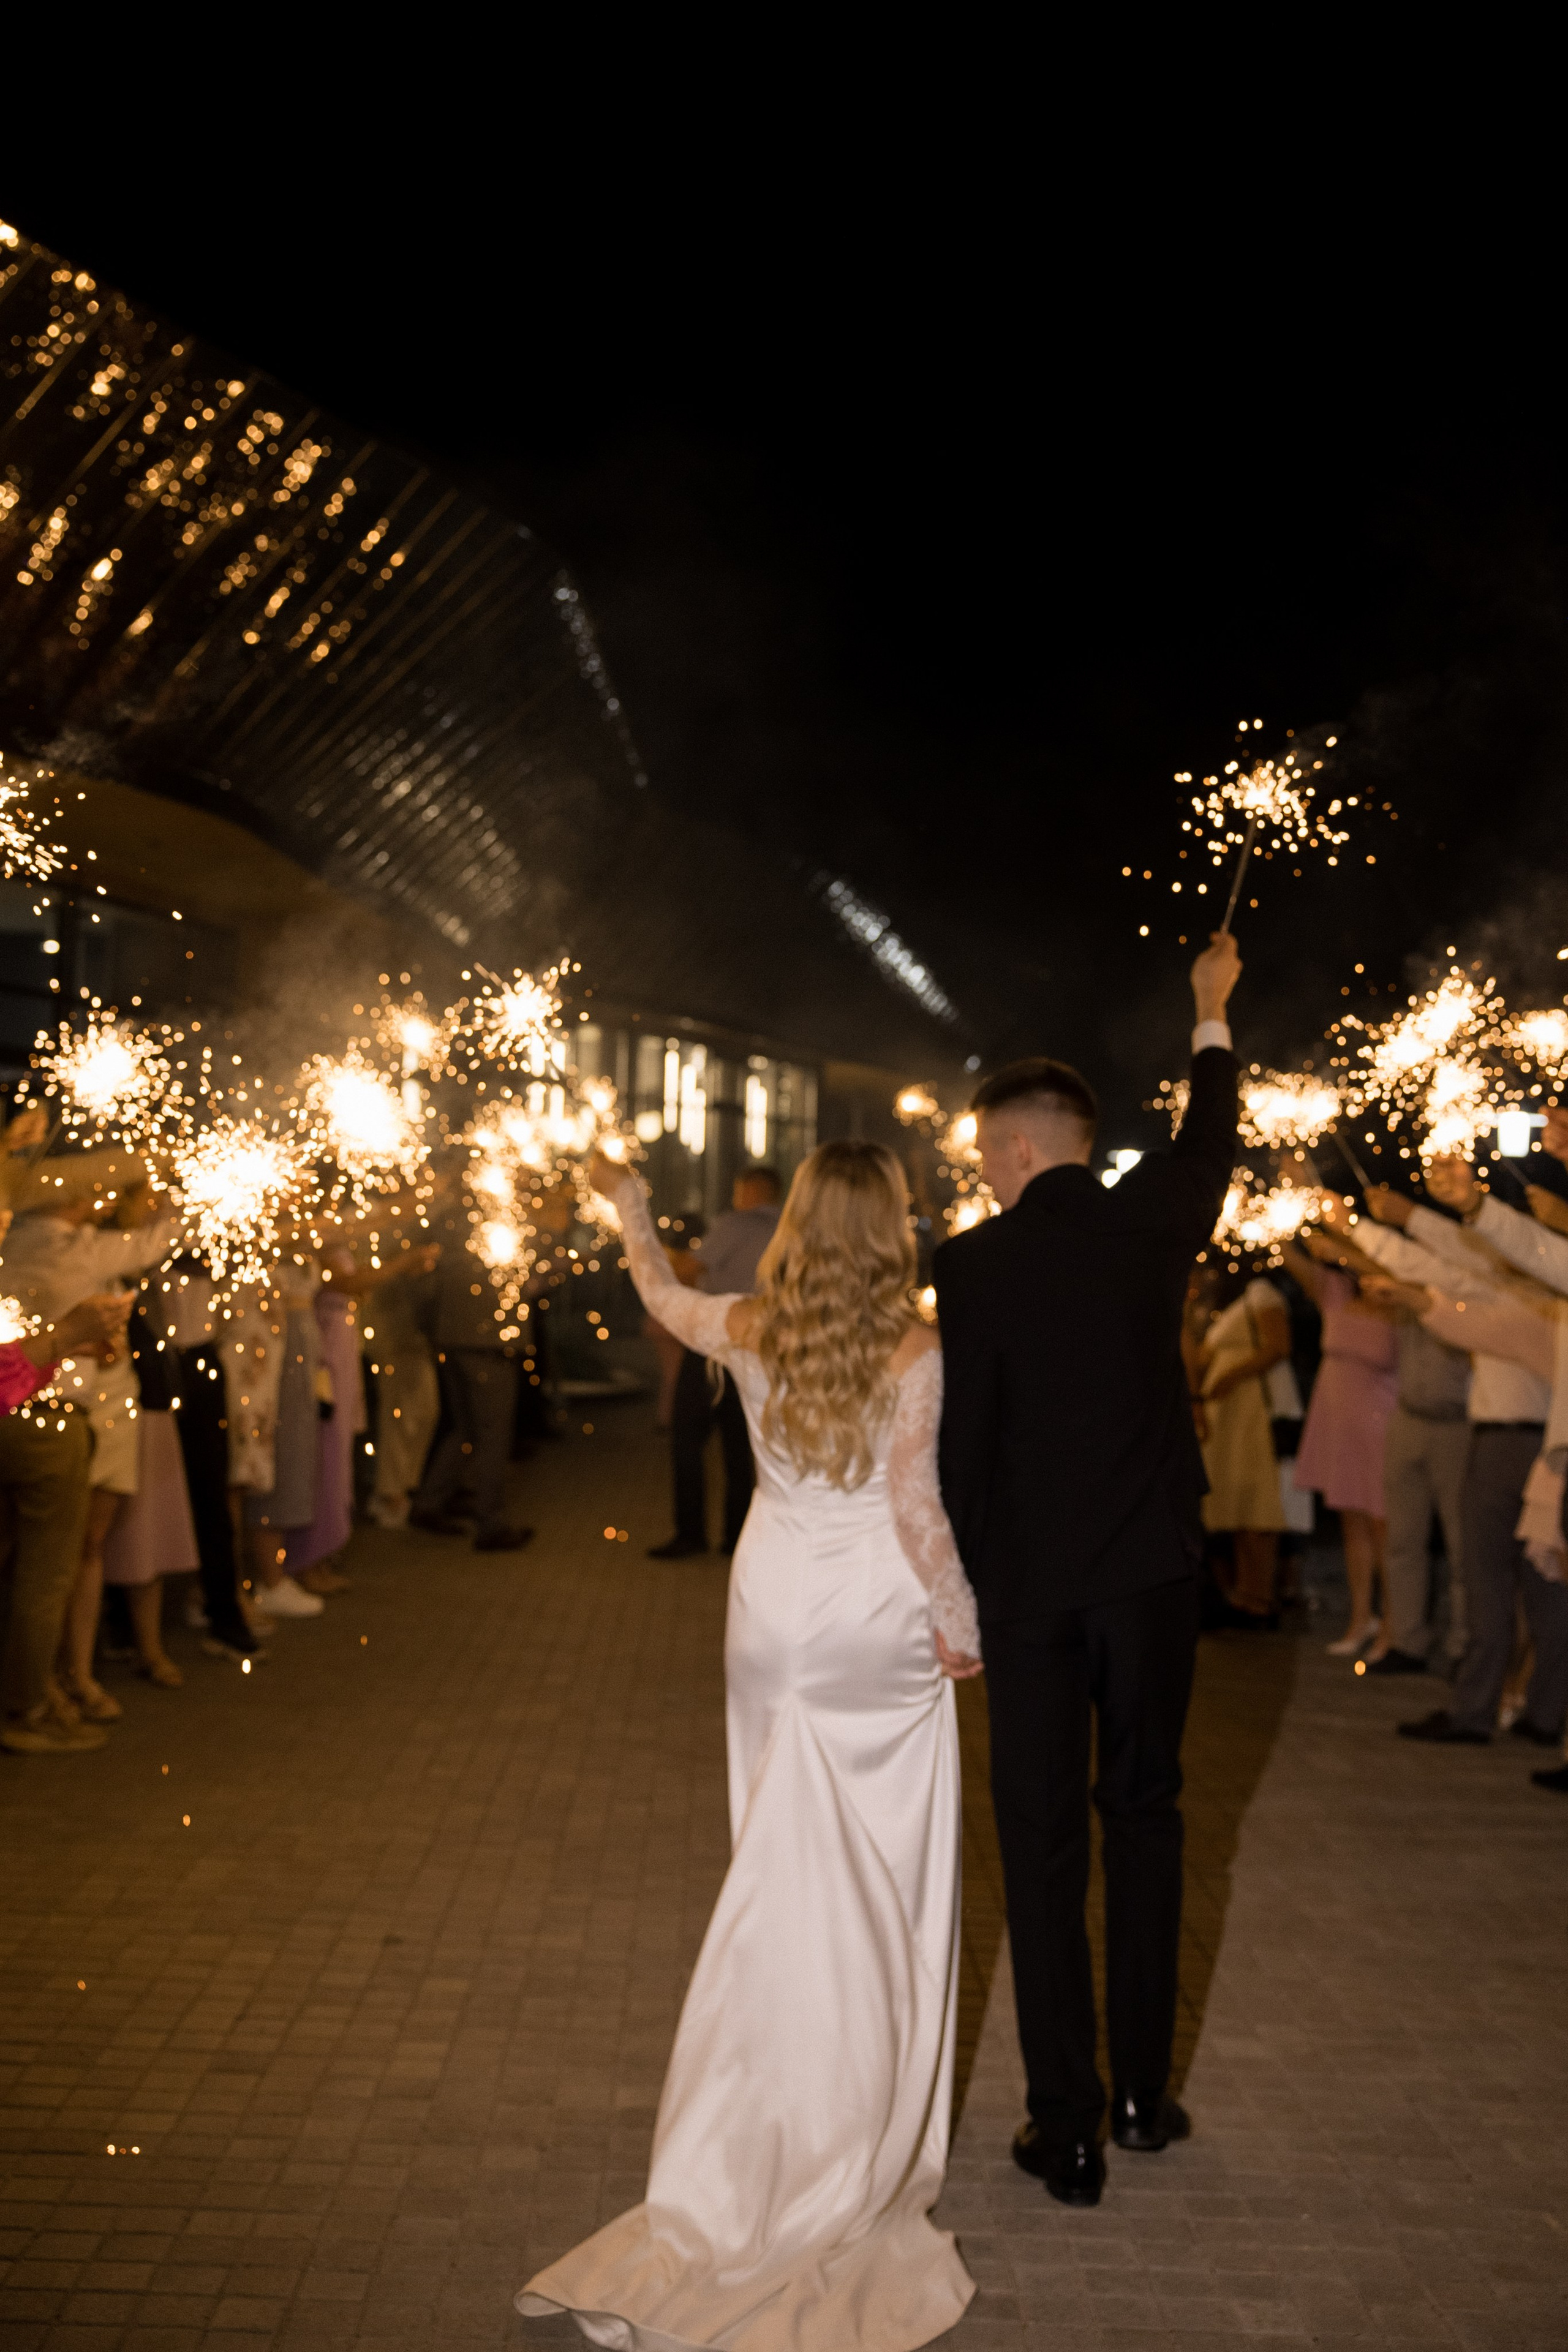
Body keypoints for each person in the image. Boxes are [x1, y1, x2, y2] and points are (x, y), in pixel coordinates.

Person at [518, 1140, 982, 2349]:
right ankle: (846, 2118)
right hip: (873, 1621)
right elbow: (915, 1510)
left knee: (776, 1865)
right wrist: (960, 1624)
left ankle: (756, 2120)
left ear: (791, 1227)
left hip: (770, 1609)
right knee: (880, 1878)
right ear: (888, 1228)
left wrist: (627, 1208)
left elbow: (659, 1297)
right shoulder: (915, 1348)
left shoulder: (743, 1321)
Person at [935, 932, 1240, 2210]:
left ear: (1012, 1150)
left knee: (1042, 1844)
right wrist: (1209, 1014)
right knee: (1148, 1816)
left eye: (978, 1151)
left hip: (1030, 1594)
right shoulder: (1150, 1225)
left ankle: (1062, 2130)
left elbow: (965, 1446)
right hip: (1150, 1581)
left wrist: (967, 1582)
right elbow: (1211, 1139)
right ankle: (1139, 2097)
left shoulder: (970, 1265)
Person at [0, 1161, 178, 1724]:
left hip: (28, 1402)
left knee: (29, 1561)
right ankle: (33, 1700)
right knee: (51, 1569)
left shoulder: (16, 1238)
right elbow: (154, 1243)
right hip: (52, 1414)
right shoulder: (65, 1245)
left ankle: (50, 1683)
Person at [1315, 1194, 1470, 1674]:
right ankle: (1405, 1639)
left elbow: (1406, 1273)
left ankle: (1465, 1647)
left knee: (1460, 1541)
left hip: (1456, 1418)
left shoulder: (1460, 1276)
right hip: (1408, 1415)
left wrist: (1344, 1238)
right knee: (1401, 1535)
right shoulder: (1395, 1281)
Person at [648, 1168, 781, 1560]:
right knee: (740, 1447)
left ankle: (691, 1534)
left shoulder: (735, 1224)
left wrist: (657, 1252)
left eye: (739, 1190)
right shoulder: (791, 1227)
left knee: (687, 1437)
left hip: (715, 1341)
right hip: (762, 1346)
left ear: (752, 1190)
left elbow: (689, 1269)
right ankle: (736, 1538)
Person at [1278, 1229, 1398, 1657]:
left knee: (1385, 1526)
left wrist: (1352, 1249)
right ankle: (1360, 1617)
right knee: (1353, 1524)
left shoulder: (1399, 1298)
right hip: (1337, 1424)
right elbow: (1290, 1258)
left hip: (1381, 1423)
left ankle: (1394, 1624)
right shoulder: (1336, 1293)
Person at [1185, 1261, 1290, 1623]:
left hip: (1253, 1410)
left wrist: (1231, 1376)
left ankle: (1261, 1596)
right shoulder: (1221, 1310)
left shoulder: (1261, 1293)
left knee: (1259, 1500)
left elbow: (1277, 1345)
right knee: (1237, 1501)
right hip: (1231, 1416)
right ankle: (1243, 1593)